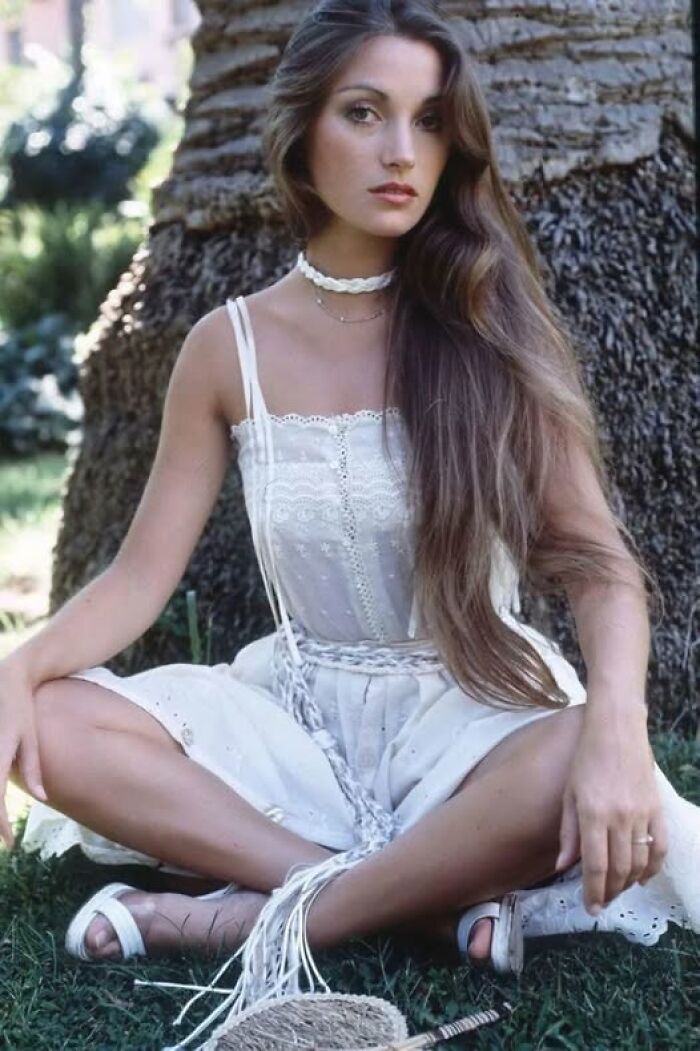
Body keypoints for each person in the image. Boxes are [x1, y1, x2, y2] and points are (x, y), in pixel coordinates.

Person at [2, 1, 698, 1048]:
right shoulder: (223, 347)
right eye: (365, 113)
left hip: (474, 713)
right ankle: (418, 896)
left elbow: (599, 568)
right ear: (302, 133)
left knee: (573, 764)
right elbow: (141, 575)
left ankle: (225, 915)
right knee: (54, 722)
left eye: (427, 122)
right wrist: (19, 667)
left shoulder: (493, 325)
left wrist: (613, 729)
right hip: (300, 716)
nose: (400, 152)